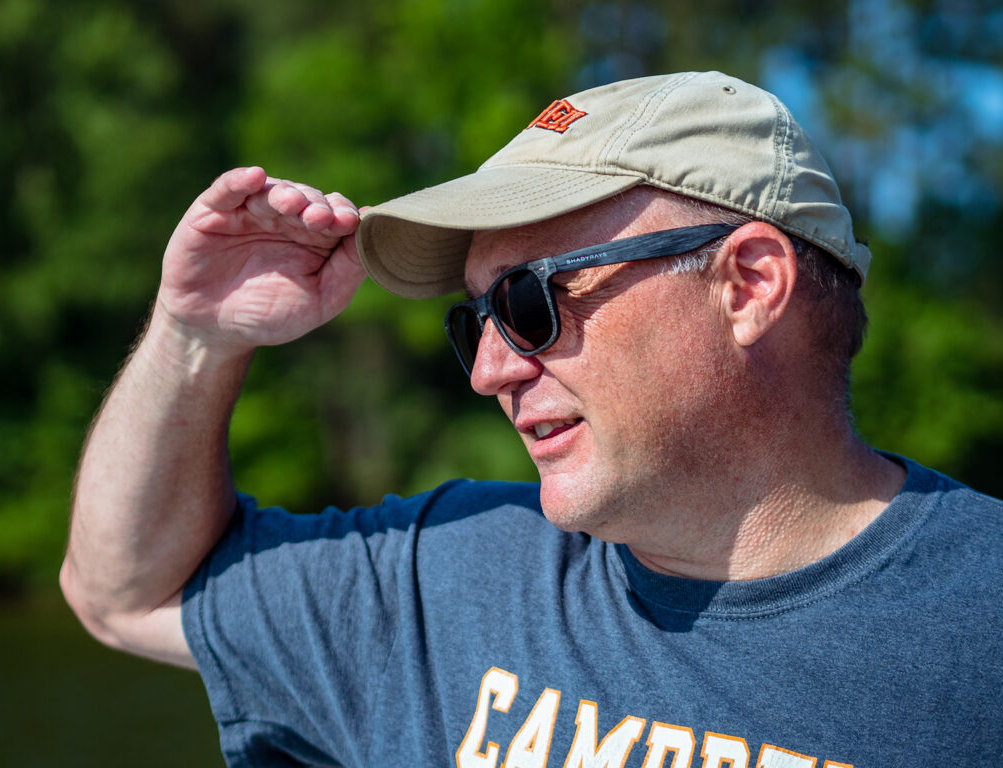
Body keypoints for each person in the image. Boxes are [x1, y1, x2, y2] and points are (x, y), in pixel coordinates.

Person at [61, 71, 1002, 767]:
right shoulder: (446, 576)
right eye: (474, 319)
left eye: (531, 301)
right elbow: (122, 593)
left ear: (749, 285)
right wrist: (194, 338)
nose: (489, 369)